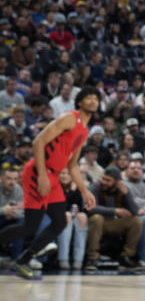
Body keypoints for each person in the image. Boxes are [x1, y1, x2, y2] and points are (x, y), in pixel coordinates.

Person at [0, 87, 99, 279]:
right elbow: (38, 141)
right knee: (30, 225)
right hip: (39, 170)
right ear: (80, 102)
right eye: (89, 98)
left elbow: (73, 166)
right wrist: (43, 175)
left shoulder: (84, 131)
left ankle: (23, 261)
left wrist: (85, 191)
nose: (93, 101)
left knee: (60, 221)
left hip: (54, 174)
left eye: (96, 98)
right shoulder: (70, 118)